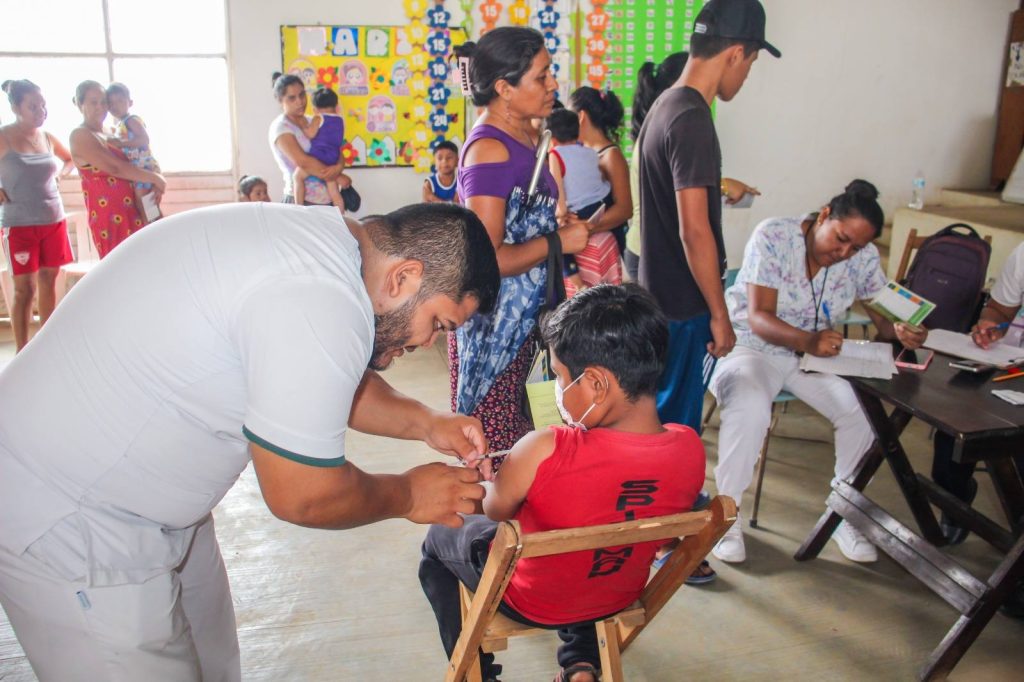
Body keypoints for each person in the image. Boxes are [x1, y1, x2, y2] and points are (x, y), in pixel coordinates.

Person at [0, 201, 500, 681]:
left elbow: (322, 375)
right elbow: (301, 493)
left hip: (148, 504)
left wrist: (426, 421)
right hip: (73, 512)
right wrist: (409, 494)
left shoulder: (327, 247)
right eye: (438, 323)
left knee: (211, 660)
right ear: (403, 277)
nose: (427, 343)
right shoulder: (321, 296)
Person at [420, 284, 706, 682]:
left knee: (439, 539)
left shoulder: (545, 448)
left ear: (597, 384)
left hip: (532, 600)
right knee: (591, 537)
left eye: (559, 375)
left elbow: (494, 509)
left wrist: (481, 479)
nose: (557, 388)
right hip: (616, 595)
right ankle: (581, 662)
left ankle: (476, 673)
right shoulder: (690, 448)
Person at [709, 180, 928, 564]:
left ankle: (844, 512)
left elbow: (885, 319)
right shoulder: (775, 235)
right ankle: (726, 516)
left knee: (862, 411)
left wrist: (904, 330)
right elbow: (759, 317)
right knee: (749, 406)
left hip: (813, 358)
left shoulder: (862, 258)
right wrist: (809, 340)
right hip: (750, 346)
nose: (844, 253)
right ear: (825, 215)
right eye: (841, 239)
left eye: (855, 248)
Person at [636, 0, 779, 433]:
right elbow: (695, 231)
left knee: (657, 424)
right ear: (735, 54)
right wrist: (719, 312)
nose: (746, 76)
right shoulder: (692, 117)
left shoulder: (666, 105)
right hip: (684, 307)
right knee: (677, 431)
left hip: (660, 298)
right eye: (750, 64)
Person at [449, 26, 589, 453]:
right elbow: (487, 259)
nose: (553, 84)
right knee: (495, 454)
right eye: (541, 76)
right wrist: (557, 241)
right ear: (504, 88)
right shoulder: (489, 150)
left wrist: (553, 228)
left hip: (525, 323)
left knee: (529, 445)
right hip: (495, 332)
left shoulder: (525, 136)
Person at [624, 52, 759, 282]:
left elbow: (675, 182)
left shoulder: (660, 123)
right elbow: (693, 229)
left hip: (646, 250)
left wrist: (721, 185)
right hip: (654, 254)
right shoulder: (680, 123)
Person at [0, 79, 74, 352]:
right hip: (19, 224)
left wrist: (60, 176)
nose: (41, 111)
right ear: (15, 108)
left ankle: (45, 346)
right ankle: (22, 351)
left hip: (53, 220)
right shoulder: (4, 137)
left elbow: (69, 159)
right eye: (33, 106)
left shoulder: (47, 137)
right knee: (25, 289)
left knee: (48, 280)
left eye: (43, 105)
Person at [69, 81, 165, 259]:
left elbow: (140, 157)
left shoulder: (113, 132)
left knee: (152, 255)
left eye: (104, 102)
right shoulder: (80, 135)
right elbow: (115, 168)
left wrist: (154, 181)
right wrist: (155, 179)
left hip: (138, 206)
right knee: (120, 265)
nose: (100, 107)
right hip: (111, 215)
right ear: (80, 104)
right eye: (93, 102)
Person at [546, 107, 618, 293]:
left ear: (551, 139)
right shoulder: (590, 152)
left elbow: (559, 198)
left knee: (558, 241)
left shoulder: (555, 154)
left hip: (581, 211)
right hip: (603, 204)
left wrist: (560, 216)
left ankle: (578, 284)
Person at [567, 86, 631, 255]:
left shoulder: (611, 156)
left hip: (606, 248)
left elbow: (625, 208)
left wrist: (586, 225)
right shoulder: (580, 153)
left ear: (580, 116)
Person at [267, 73, 350, 205]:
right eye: (292, 98)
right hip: (300, 201)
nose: (299, 101)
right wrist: (338, 177)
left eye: (302, 95)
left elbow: (335, 149)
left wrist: (338, 167)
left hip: (326, 200)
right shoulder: (281, 127)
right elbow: (302, 161)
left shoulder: (315, 120)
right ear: (280, 100)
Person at [105, 81, 162, 219]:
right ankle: (152, 225)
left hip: (144, 167)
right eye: (111, 102)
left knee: (148, 205)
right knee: (142, 204)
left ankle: (157, 227)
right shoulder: (120, 124)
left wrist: (121, 143)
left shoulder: (131, 120)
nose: (115, 105)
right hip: (137, 170)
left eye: (120, 101)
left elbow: (144, 139)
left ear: (130, 103)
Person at [293, 87, 347, 210]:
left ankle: (298, 208)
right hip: (332, 159)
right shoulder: (340, 120)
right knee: (334, 191)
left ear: (315, 109)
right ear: (336, 106)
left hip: (318, 156)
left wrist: (303, 126)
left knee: (297, 177)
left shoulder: (318, 117)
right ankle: (341, 216)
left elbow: (311, 134)